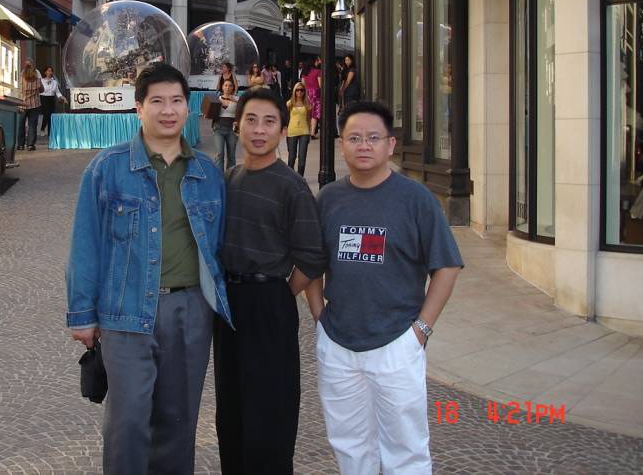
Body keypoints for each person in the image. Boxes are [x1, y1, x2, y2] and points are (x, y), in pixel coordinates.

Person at [66, 62, 232, 475]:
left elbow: (218, 247)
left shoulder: (208, 173)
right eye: (156, 101)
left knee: (178, 421)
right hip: (125, 312)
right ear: (138, 108)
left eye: (176, 100)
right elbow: (86, 244)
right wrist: (82, 315)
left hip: (191, 311)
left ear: (188, 108)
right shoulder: (108, 168)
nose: (168, 110)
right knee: (127, 423)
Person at [306, 101, 463, 475]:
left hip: (397, 342)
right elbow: (311, 261)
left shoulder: (416, 199)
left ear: (390, 145)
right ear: (341, 143)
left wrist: (420, 331)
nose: (364, 145)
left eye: (373, 138)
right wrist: (317, 314)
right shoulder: (328, 198)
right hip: (339, 342)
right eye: (354, 138)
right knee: (348, 444)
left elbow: (447, 266)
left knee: (406, 449)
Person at [214, 86, 326, 475]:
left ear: (282, 130)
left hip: (269, 303)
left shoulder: (290, 185)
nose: (259, 130)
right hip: (228, 303)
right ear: (237, 125)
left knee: (270, 408)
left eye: (269, 122)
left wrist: (279, 291)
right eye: (251, 120)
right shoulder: (229, 178)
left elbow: (312, 254)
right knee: (231, 405)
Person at [286, 82, 311, 177]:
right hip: (292, 131)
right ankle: (290, 178)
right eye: (297, 90)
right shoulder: (290, 103)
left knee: (302, 158)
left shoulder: (307, 103)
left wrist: (310, 132)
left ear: (304, 92)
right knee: (292, 157)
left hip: (304, 131)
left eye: (302, 90)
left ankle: (300, 178)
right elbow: (286, 117)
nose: (299, 92)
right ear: (294, 91)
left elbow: (308, 119)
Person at [213, 77, 238, 170]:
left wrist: (235, 100)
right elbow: (210, 112)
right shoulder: (216, 99)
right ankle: (219, 178)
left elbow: (244, 110)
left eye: (230, 86)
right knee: (219, 154)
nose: (228, 87)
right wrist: (207, 114)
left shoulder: (237, 99)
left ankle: (230, 177)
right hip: (218, 128)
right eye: (226, 85)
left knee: (231, 155)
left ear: (233, 88)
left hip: (232, 130)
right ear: (222, 87)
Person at [17, 62, 42, 151]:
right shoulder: (37, 79)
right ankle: (30, 145)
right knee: (32, 125)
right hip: (34, 104)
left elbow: (18, 89)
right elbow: (42, 89)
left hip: (22, 104)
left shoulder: (21, 78)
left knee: (21, 125)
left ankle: (20, 145)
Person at [39, 65, 67, 140]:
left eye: (51, 71)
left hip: (51, 98)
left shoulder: (54, 82)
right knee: (46, 114)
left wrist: (62, 97)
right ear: (45, 72)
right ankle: (42, 128)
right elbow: (39, 91)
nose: (49, 72)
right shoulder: (41, 80)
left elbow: (57, 92)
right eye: (48, 71)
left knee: (51, 115)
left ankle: (50, 132)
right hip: (43, 98)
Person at [303, 57, 322, 139]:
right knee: (315, 114)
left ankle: (307, 131)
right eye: (317, 61)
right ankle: (312, 132)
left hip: (307, 93)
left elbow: (303, 84)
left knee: (308, 113)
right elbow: (320, 84)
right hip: (316, 94)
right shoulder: (318, 72)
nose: (318, 62)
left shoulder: (305, 72)